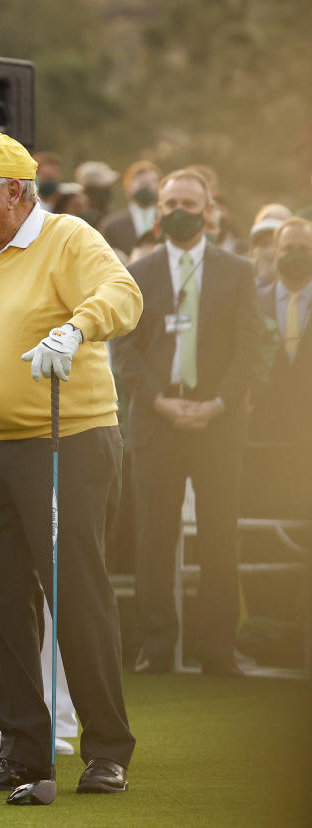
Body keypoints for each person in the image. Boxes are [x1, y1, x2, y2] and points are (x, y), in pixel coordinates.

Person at [0, 133, 140, 795]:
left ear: (15, 190)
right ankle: (22, 750)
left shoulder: (68, 238)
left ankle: (106, 750)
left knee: (77, 596)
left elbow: (122, 295)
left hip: (67, 443)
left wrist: (76, 328)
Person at [114, 168, 260, 677]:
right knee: (155, 535)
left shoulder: (238, 271)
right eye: (170, 201)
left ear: (209, 212)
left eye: (189, 203)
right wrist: (160, 402)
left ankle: (218, 649)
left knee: (220, 534)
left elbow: (251, 350)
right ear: (159, 212)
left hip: (218, 423)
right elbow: (124, 351)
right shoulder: (139, 272)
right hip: (157, 421)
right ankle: (157, 647)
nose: (178, 210)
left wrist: (218, 403)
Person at [247, 217, 312, 520]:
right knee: (264, 507)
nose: (296, 254)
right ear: (275, 254)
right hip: (263, 426)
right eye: (288, 248)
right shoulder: (253, 302)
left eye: (303, 248)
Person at [100, 161, 161, 258]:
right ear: (128, 187)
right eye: (141, 184)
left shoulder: (168, 223)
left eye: (151, 183)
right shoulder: (111, 226)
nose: (146, 188)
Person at [74, 161, 119, 229]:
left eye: (109, 188)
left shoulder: (113, 217)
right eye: (103, 190)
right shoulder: (76, 219)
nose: (108, 194)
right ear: (88, 191)